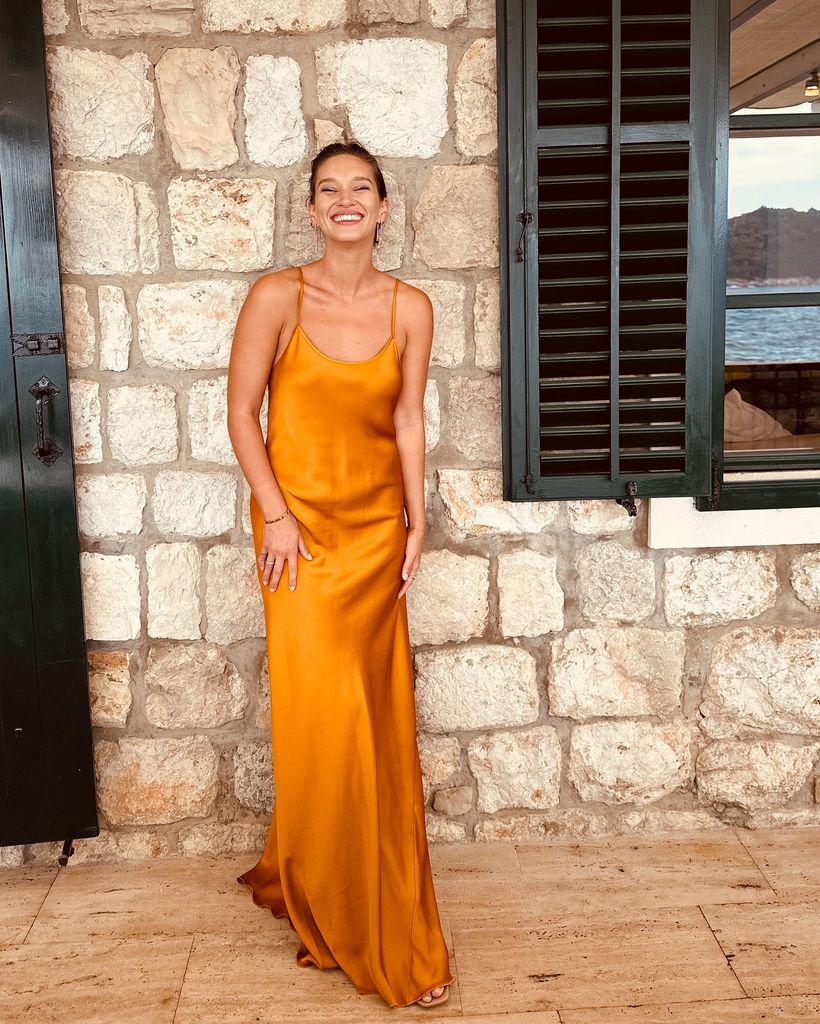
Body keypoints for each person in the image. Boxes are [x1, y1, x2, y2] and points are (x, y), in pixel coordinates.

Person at [226, 140, 453, 1010]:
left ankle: (323, 869)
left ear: (385, 208)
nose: (347, 201)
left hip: (374, 531)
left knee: (375, 717)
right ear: (313, 211)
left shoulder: (411, 307)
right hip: (299, 535)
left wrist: (417, 516)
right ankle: (350, 915)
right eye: (331, 190)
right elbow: (242, 415)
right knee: (330, 720)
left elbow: (405, 419)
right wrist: (276, 515)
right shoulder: (277, 296)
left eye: (363, 189)